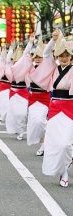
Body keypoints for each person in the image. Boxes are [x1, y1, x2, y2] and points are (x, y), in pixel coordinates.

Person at [32, 30, 73, 187]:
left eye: (66, 55)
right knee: (55, 143)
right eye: (61, 55)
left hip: (70, 108)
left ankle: (66, 163)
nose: (63, 58)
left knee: (66, 144)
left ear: (71, 57)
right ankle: (63, 172)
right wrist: (53, 40)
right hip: (55, 109)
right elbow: (47, 53)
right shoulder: (53, 68)